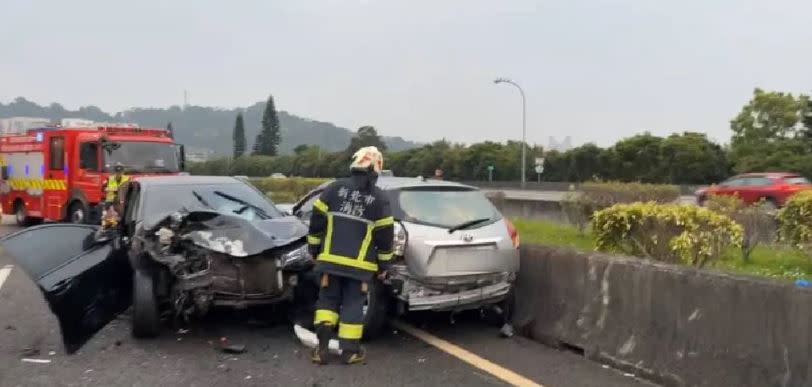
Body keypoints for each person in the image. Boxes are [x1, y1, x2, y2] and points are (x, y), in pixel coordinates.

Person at [307, 146, 394, 365]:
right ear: (376, 168)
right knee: (354, 305)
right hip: (360, 267)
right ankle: (350, 352)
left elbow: (316, 222)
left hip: (329, 262)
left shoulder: (333, 189)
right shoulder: (379, 199)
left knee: (327, 301)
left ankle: (321, 349)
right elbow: (385, 237)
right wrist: (385, 266)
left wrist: (314, 250)